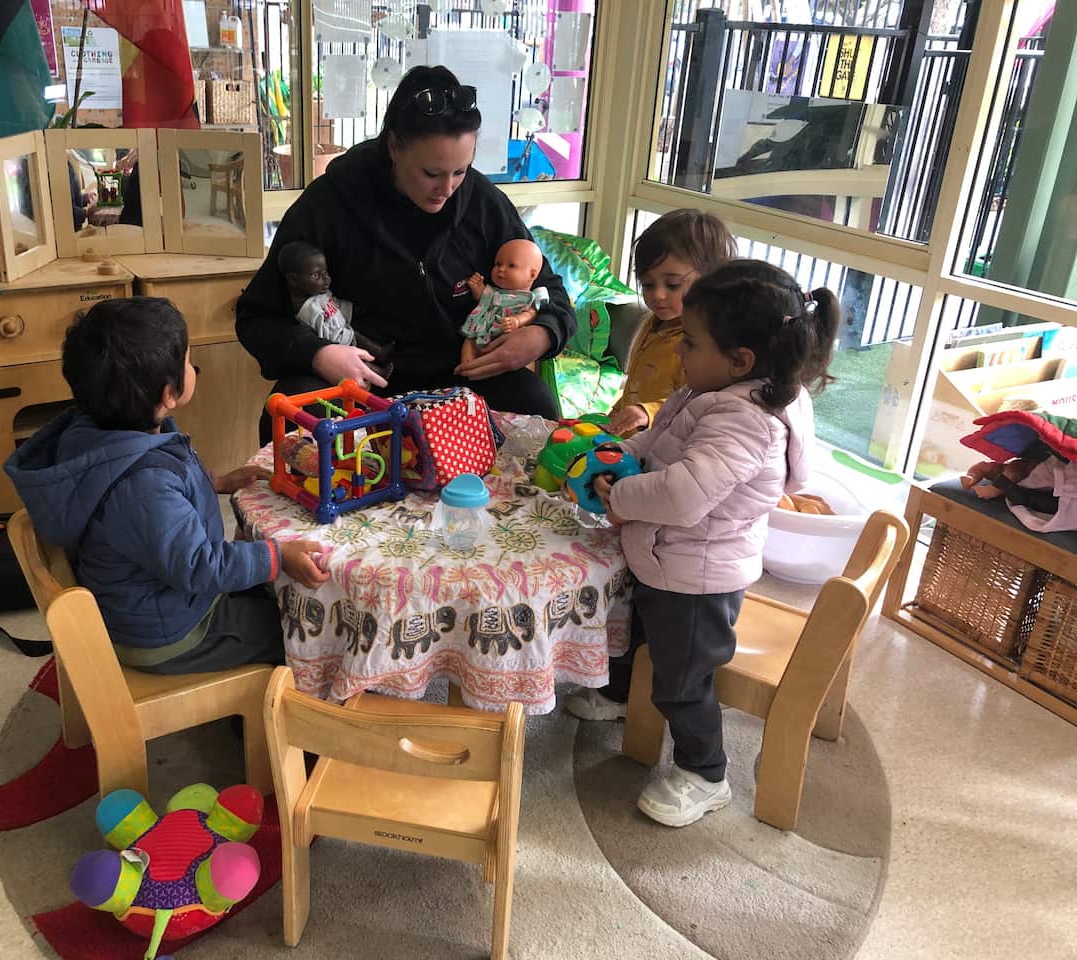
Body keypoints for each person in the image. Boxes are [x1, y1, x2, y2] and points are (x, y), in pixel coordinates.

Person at [570, 260, 839, 828]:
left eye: (690, 342)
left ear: (740, 360)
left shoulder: (746, 420)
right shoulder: (716, 390)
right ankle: (619, 695)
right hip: (668, 557)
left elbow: (683, 495)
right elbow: (667, 437)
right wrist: (634, 451)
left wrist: (621, 493)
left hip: (697, 575)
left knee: (684, 679)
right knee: (631, 626)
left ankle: (705, 772)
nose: (680, 352)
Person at [236, 64, 577, 445]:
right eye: (432, 173)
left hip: (461, 377)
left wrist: (542, 336)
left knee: (534, 402)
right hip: (361, 379)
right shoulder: (329, 203)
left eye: (460, 171)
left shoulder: (483, 203)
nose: (446, 189)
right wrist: (319, 354)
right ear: (394, 147)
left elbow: (552, 294)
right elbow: (256, 316)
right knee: (295, 413)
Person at [4, 297, 329, 675]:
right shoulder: (144, 486)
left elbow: (170, 487)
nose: (193, 368)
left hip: (148, 600)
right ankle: (262, 719)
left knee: (269, 588)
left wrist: (218, 482)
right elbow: (199, 566)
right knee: (299, 629)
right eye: (189, 363)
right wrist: (275, 557)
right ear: (168, 394)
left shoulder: (105, 428)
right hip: (169, 632)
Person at [605, 210, 736, 438]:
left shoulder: (704, 346)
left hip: (663, 447)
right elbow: (634, 388)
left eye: (673, 285)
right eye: (647, 284)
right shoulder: (652, 323)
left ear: (711, 280)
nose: (658, 295)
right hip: (629, 438)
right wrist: (614, 416)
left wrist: (648, 413)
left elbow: (696, 403)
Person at [279, 240, 394, 380]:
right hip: (337, 342)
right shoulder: (308, 310)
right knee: (356, 360)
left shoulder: (319, 293)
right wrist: (339, 341)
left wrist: (351, 309)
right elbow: (321, 332)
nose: (326, 278)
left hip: (344, 331)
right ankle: (378, 372)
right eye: (316, 275)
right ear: (293, 280)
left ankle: (380, 352)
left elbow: (335, 303)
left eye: (325, 271)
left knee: (359, 338)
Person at [459, 237, 548, 369]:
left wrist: (517, 321)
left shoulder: (529, 297)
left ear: (532, 274)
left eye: (511, 265)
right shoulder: (495, 293)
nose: (501, 269)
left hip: (507, 335)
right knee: (469, 341)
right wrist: (477, 287)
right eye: (498, 264)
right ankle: (466, 366)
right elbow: (482, 298)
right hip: (482, 330)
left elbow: (531, 313)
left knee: (522, 355)